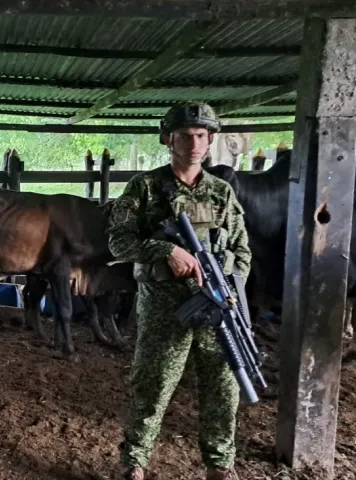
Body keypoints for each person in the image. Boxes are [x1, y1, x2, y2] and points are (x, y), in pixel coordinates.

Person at [106, 102, 252, 480]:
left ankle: (220, 465)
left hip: (217, 307)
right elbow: (118, 242)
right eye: (185, 135)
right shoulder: (145, 187)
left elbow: (242, 251)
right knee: (152, 387)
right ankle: (134, 462)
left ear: (211, 140)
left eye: (201, 135)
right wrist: (165, 249)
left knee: (224, 388)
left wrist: (226, 282)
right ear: (169, 139)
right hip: (163, 306)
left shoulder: (222, 193)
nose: (194, 143)